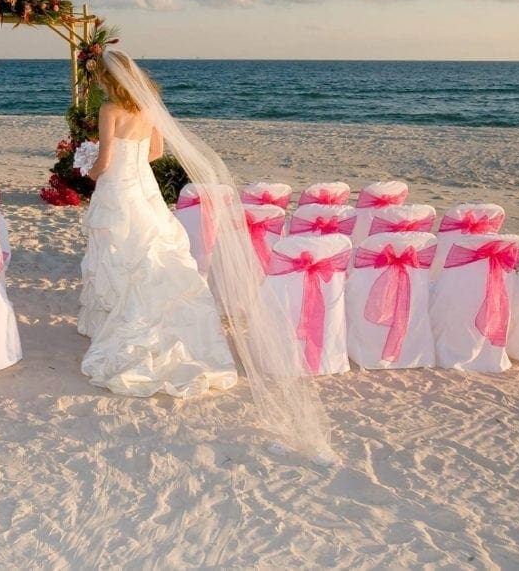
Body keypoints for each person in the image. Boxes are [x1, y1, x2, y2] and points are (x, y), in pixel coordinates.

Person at [79, 49, 334, 463]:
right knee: (152, 253)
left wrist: (88, 168)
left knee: (120, 254)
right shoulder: (148, 108)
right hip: (142, 189)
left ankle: (121, 322)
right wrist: (129, 157)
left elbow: (106, 160)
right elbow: (156, 153)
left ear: (109, 81)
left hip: (118, 189)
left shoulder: (109, 109)